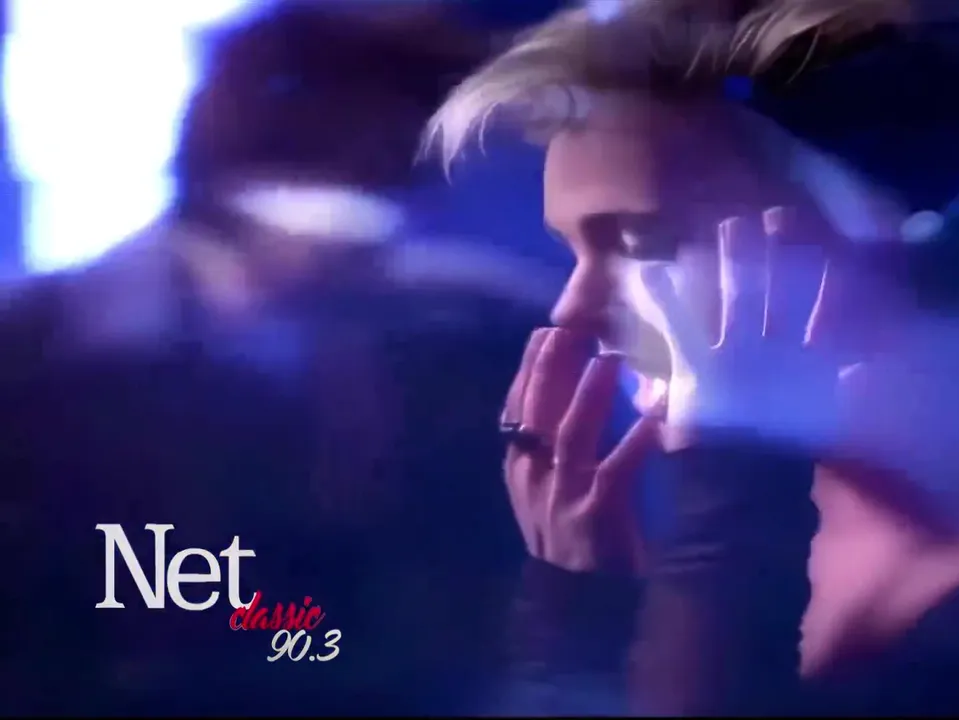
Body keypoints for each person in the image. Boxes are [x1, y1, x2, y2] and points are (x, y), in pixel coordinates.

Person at [426, 0, 959, 714]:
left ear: (874, 234)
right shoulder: (714, 548)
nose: (575, 312)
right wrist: (588, 620)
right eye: (574, 251)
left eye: (645, 243)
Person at [0, 2, 548, 714]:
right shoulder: (31, 344)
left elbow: (553, 614)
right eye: (282, 228)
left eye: (356, 239)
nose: (313, 268)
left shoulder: (490, 337)